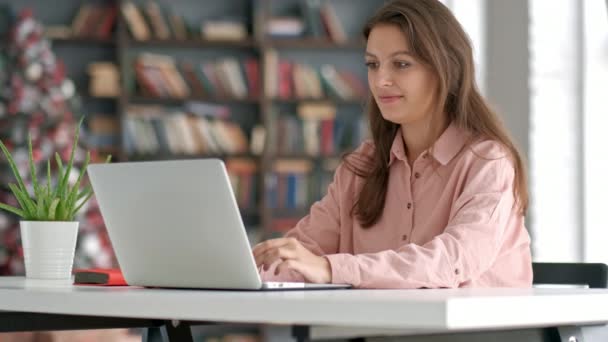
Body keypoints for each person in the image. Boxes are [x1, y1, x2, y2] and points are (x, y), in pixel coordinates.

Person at [252, 0, 532, 289]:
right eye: (373, 65)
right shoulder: (362, 166)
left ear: (445, 69)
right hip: (380, 330)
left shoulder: (487, 163)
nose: (381, 81)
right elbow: (300, 257)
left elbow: (453, 260)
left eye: (401, 64)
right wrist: (244, 269)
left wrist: (331, 268)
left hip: (473, 333)